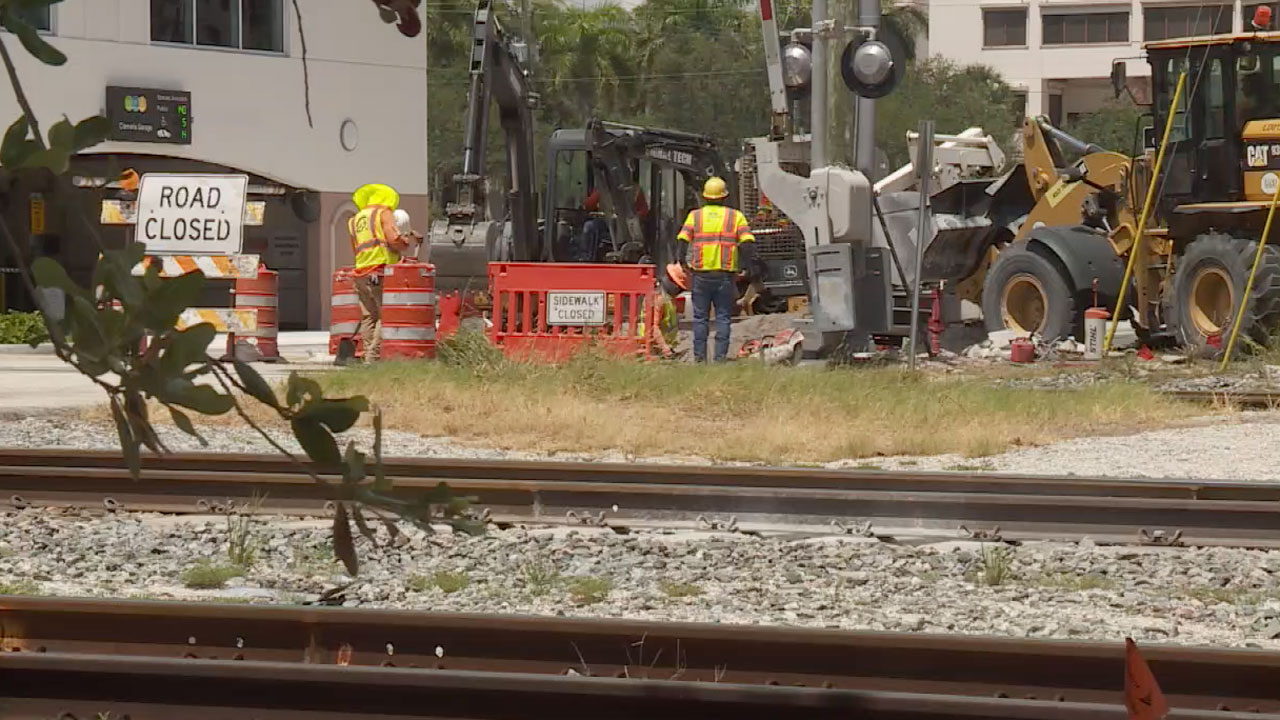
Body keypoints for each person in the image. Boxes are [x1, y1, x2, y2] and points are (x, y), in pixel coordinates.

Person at [676, 176, 755, 362]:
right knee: (723, 318)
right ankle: (720, 359)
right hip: (725, 276)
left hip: (700, 275)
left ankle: (700, 359)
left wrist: (683, 263)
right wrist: (748, 267)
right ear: (724, 196)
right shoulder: (735, 216)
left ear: (705, 196)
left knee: (700, 318)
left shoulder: (695, 216)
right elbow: (747, 244)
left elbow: (682, 240)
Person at [344, 183, 411, 364]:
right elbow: (393, 239)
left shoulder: (355, 219)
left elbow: (355, 247)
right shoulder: (383, 213)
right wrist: (406, 243)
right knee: (386, 315)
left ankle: (367, 355)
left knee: (368, 316)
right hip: (379, 272)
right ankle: (373, 357)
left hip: (360, 273)